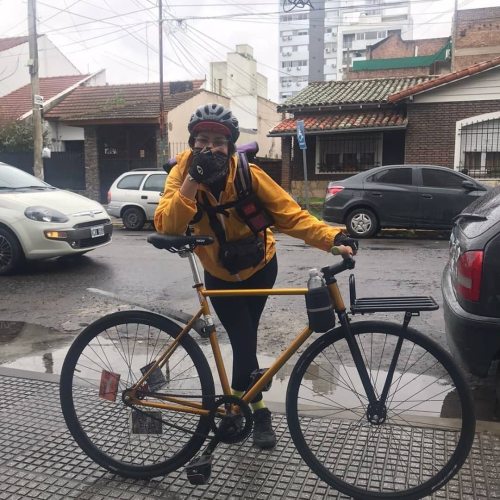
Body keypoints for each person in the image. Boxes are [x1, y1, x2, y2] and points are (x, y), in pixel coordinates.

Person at [154, 103, 358, 449]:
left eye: (218, 141)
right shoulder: (181, 174)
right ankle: (254, 413)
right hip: (218, 273)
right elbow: (168, 224)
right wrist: (192, 178)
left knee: (246, 342)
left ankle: (241, 408)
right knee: (245, 342)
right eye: (201, 140)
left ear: (231, 145)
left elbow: (291, 215)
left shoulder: (249, 174)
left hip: (261, 267)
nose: (209, 147)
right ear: (191, 144)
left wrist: (332, 238)